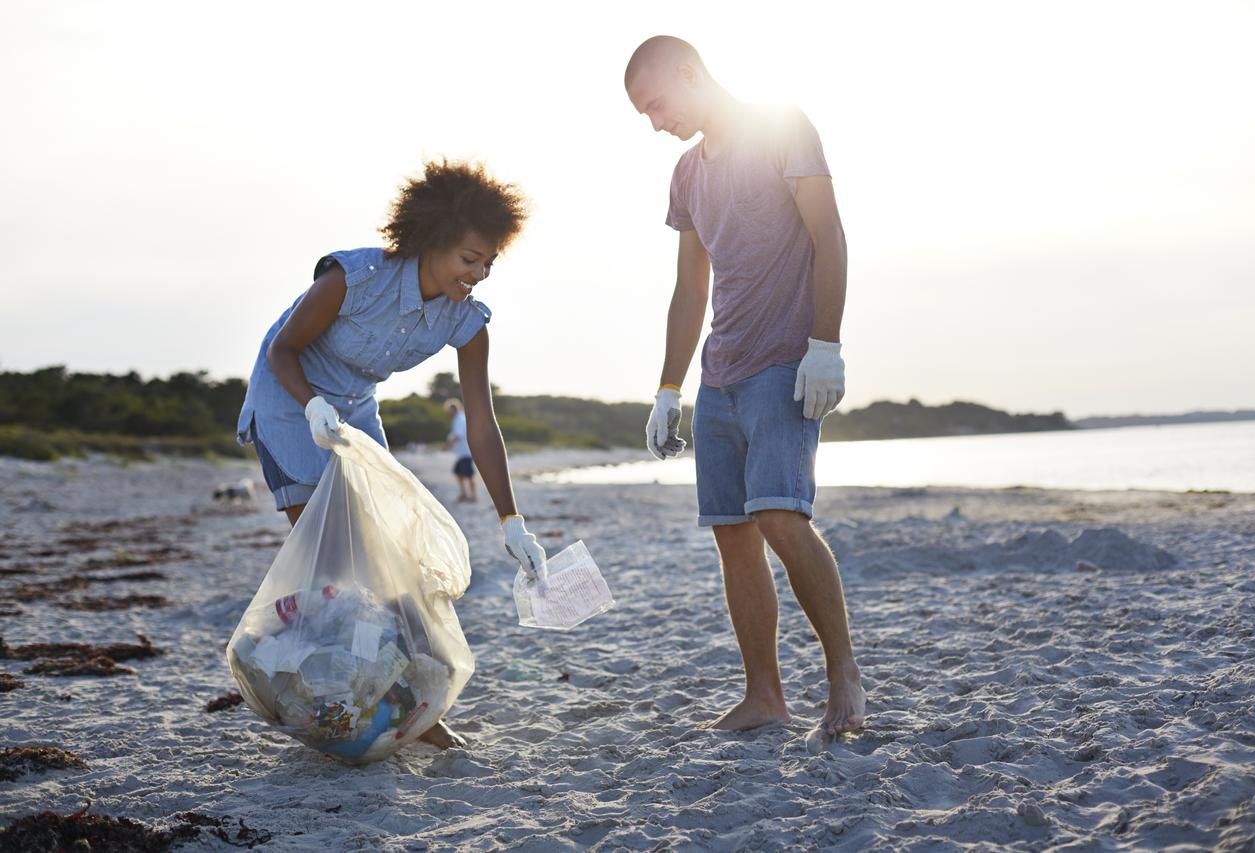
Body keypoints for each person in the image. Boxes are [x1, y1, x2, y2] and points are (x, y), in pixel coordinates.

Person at [235, 159, 548, 750]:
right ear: (431, 241)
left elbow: (482, 423)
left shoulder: (467, 320)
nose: (478, 273)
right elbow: (283, 350)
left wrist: (513, 522)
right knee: (334, 564)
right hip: (288, 395)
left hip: (352, 407)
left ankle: (408, 707)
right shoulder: (355, 278)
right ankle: (320, 694)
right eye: (468, 258)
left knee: (389, 560)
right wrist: (309, 406)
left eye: (488, 262)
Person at [624, 36, 866, 743]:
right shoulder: (686, 175)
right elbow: (690, 287)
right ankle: (764, 695)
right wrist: (669, 388)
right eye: (642, 113)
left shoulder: (784, 128)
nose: (654, 121)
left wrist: (826, 344)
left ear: (690, 74)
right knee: (734, 537)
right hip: (719, 377)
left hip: (783, 365)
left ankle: (844, 674)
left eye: (656, 103)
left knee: (783, 519)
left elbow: (830, 236)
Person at [442, 397, 477, 502]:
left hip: (465, 452)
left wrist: (447, 446)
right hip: (462, 453)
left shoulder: (459, 419)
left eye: (449, 410)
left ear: (453, 409)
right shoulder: (459, 418)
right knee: (458, 472)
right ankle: (464, 493)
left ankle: (474, 496)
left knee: (469, 475)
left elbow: (457, 436)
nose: (448, 413)